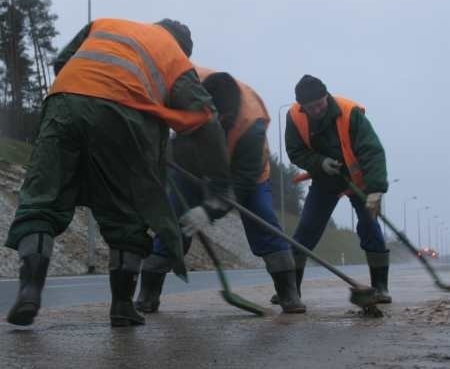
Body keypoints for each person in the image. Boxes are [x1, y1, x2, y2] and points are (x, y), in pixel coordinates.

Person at [4, 18, 232, 327]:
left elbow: (61, 62)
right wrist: (218, 185)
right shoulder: (175, 57)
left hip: (64, 103)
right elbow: (206, 119)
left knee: (42, 200)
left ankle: (30, 288)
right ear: (184, 48)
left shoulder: (105, 24)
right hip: (122, 118)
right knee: (125, 213)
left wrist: (87, 98)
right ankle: (122, 306)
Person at [135, 67, 306, 315]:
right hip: (192, 166)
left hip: (244, 174)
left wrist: (209, 209)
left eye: (218, 120)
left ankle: (288, 293)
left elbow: (243, 182)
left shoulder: (251, 124)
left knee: (263, 220)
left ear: (228, 115)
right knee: (171, 222)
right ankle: (148, 294)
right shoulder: (186, 85)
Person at [276, 74, 391, 309]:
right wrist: (319, 163)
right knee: (306, 230)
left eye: (320, 104)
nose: (317, 110)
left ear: (326, 96)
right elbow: (295, 151)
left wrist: (375, 190)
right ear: (302, 106)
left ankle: (380, 287)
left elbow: (372, 151)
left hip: (359, 182)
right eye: (311, 107)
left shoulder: (350, 113)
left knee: (369, 227)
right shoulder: (294, 116)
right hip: (326, 180)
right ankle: (290, 292)